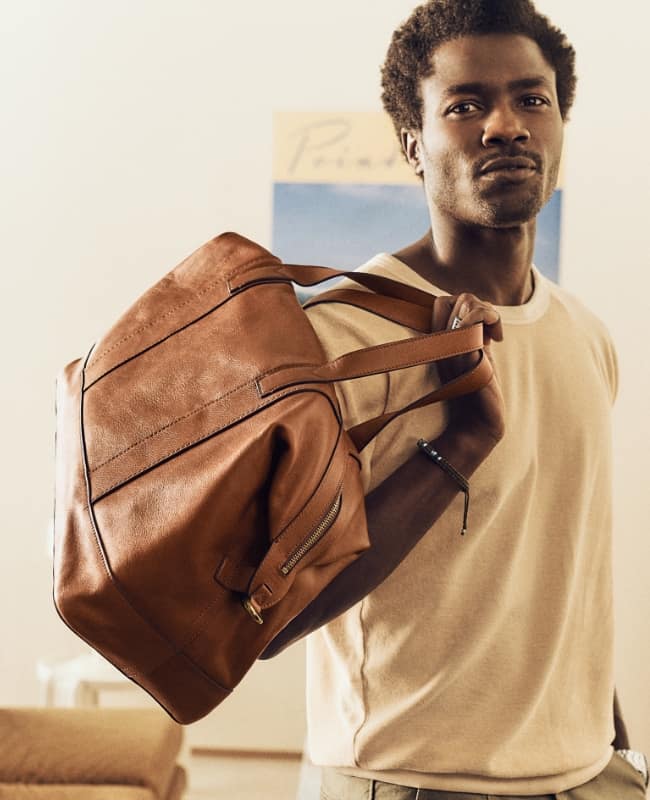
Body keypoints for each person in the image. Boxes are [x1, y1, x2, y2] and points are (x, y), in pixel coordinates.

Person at [262, 1, 648, 797]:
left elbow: (555, 561)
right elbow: (273, 617)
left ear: (559, 126)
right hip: (406, 778)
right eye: (465, 105)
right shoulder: (344, 335)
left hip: (585, 773)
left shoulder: (586, 335)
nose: (505, 126)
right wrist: (461, 443)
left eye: (531, 99)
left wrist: (605, 735)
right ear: (414, 145)